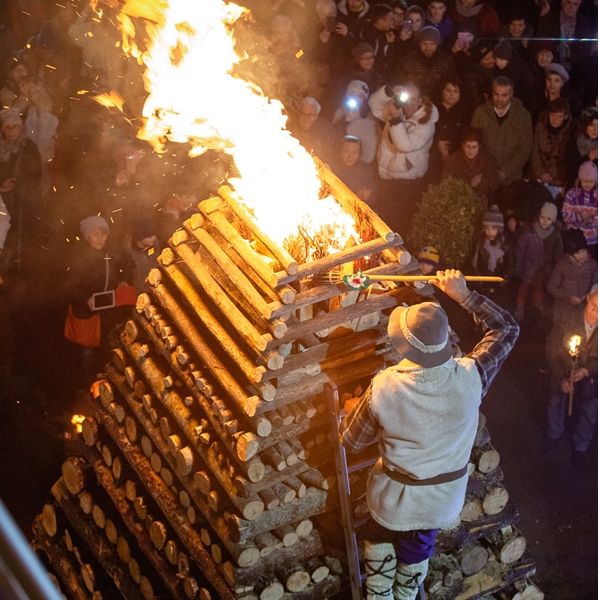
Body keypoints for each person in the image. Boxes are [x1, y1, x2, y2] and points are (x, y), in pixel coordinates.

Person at [339, 269, 519, 600]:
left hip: (394, 502)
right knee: (419, 539)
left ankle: (379, 591)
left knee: (379, 530)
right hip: (442, 501)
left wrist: (355, 408)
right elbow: (507, 328)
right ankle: (406, 591)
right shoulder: (472, 376)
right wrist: (463, 294)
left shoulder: (384, 386)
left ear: (405, 347)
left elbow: (350, 441)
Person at [63, 215, 131, 384]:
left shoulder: (112, 252)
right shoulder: (77, 258)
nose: (101, 239)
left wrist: (124, 279)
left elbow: (126, 267)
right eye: (95, 234)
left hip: (109, 309)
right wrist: (85, 299)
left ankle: (108, 381)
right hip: (87, 312)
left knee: (108, 345)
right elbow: (69, 287)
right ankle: (88, 383)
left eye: (103, 233)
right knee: (88, 349)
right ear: (87, 236)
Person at [368, 82, 438, 233]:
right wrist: (390, 91)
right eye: (407, 98)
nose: (410, 103)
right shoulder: (397, 112)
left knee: (398, 229)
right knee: (381, 227)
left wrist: (396, 120)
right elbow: (374, 106)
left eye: (414, 99)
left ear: (420, 101)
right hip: (386, 179)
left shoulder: (426, 124)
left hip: (407, 187)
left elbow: (405, 145)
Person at [545, 285, 597, 467]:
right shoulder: (568, 317)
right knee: (555, 400)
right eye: (594, 306)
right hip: (564, 369)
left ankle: (581, 445)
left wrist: (587, 370)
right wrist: (562, 378)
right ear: (588, 298)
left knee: (591, 408)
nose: (596, 313)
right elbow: (552, 348)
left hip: (592, 376)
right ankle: (554, 433)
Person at [470, 76, 533, 184]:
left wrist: (506, 171)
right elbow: (472, 142)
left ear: (511, 94)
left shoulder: (523, 115)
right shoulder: (480, 112)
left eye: (504, 95)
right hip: (484, 177)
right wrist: (488, 170)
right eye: (496, 94)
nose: (499, 99)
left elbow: (525, 148)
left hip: (512, 178)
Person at [514, 201, 564, 321]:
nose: (544, 221)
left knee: (539, 288)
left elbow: (558, 253)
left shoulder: (555, 235)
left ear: (553, 220)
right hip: (528, 266)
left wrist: (555, 270)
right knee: (523, 287)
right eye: (542, 217)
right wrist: (518, 267)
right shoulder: (529, 231)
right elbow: (520, 249)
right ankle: (520, 305)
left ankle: (538, 304)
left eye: (548, 218)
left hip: (544, 269)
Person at [441, 126, 502, 205]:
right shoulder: (453, 160)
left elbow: (495, 181)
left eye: (474, 147)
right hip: (459, 201)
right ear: (462, 145)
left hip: (482, 199)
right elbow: (445, 184)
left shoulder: (488, 159)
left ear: (479, 146)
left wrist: (481, 182)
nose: (471, 151)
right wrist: (469, 184)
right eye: (468, 146)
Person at [547, 228, 597, 322]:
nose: (582, 255)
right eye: (577, 253)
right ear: (571, 253)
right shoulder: (561, 265)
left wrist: (589, 296)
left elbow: (596, 285)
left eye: (583, 251)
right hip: (564, 311)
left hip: (585, 310)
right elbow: (551, 287)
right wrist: (569, 298)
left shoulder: (593, 265)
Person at [393, 26, 457, 98]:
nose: (428, 48)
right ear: (419, 43)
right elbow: (397, 83)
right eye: (424, 44)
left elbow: (452, 84)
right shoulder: (406, 61)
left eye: (432, 44)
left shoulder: (447, 62)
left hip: (439, 102)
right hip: (413, 101)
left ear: (437, 44)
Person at [528, 98, 575, 189]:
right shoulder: (540, 127)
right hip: (537, 175)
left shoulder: (572, 132)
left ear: (565, 117)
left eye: (559, 116)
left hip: (559, 180)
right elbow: (535, 153)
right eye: (552, 115)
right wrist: (541, 173)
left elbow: (569, 162)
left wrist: (554, 179)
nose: (554, 120)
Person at [536, 0, 595, 67]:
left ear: (579, 5)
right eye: (568, 2)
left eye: (575, 4)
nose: (571, 7)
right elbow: (541, 44)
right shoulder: (547, 21)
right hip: (551, 66)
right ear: (562, 2)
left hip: (576, 68)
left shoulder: (584, 24)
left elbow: (585, 50)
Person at [333, 81, 378, 164]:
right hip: (340, 162)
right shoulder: (340, 112)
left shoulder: (371, 117)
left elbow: (371, 143)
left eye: (360, 96)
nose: (355, 99)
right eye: (352, 94)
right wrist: (346, 119)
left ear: (364, 99)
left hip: (362, 164)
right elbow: (333, 136)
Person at [561, 161, 598, 258]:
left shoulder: (597, 195)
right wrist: (578, 216)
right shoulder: (572, 194)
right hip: (574, 239)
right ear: (579, 179)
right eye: (584, 181)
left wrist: (591, 219)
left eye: (591, 181)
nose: (587, 184)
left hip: (592, 241)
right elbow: (565, 214)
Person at [331, 135, 377, 202]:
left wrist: (365, 195)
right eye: (346, 152)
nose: (350, 156)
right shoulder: (331, 167)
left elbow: (374, 195)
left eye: (355, 152)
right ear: (340, 152)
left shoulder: (365, 169)